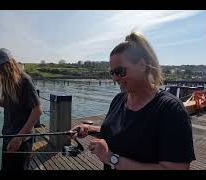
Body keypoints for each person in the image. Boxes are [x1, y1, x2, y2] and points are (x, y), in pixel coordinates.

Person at [72, 32, 195, 170]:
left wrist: (111, 158)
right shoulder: (119, 99)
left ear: (142, 65)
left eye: (120, 71)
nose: (115, 78)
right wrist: (89, 129)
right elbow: (122, 133)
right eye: (112, 73)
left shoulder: (170, 109)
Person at [0, 48, 43, 170]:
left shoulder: (25, 80)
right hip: (8, 136)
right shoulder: (8, 82)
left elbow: (37, 110)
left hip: (21, 139)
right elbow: (6, 103)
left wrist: (19, 138)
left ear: (7, 64)